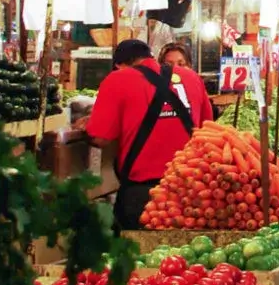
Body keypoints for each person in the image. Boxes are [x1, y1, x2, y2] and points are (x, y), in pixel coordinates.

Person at [87, 39, 214, 230]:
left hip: (144, 196)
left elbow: (100, 138)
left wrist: (86, 125)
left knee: (141, 255)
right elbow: (206, 128)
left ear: (119, 65)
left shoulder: (117, 80)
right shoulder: (191, 77)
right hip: (192, 191)